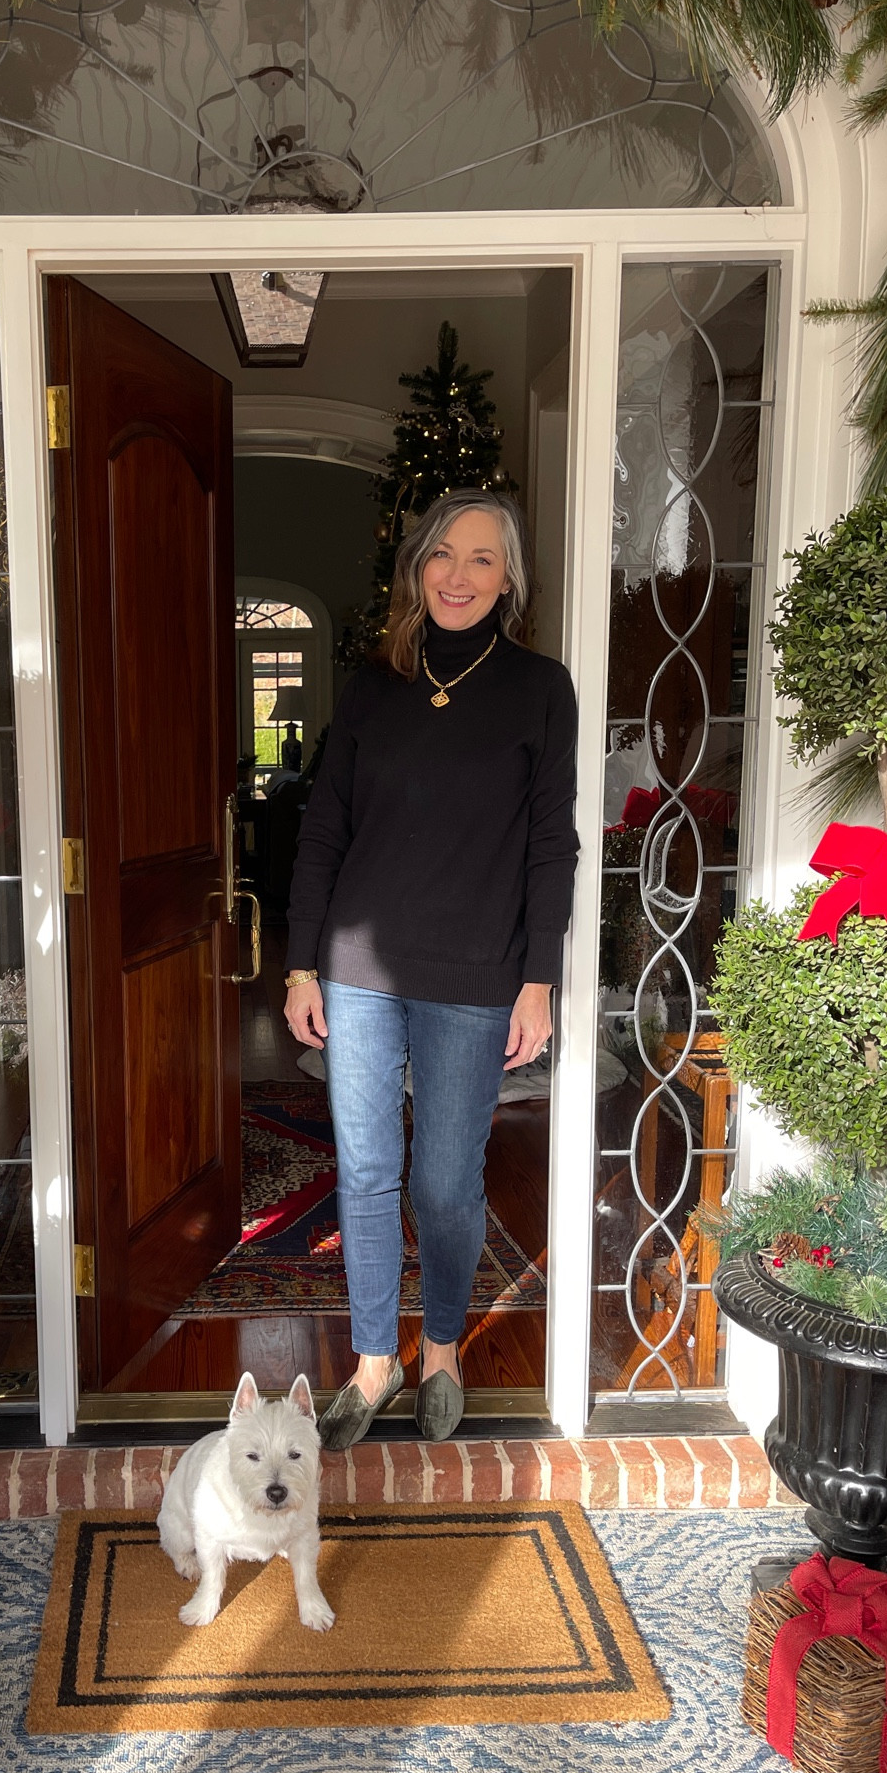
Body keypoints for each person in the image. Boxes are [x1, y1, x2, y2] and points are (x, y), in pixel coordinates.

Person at [283, 490, 578, 1447]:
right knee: (366, 1173)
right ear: (418, 570)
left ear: (510, 579)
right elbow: (325, 826)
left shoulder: (540, 688)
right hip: (360, 967)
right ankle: (376, 1363)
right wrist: (299, 968)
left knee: (447, 1185)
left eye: (482, 560)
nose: (458, 576)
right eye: (442, 556)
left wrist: (538, 980)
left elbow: (549, 845)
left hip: (477, 976)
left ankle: (442, 1347)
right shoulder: (375, 687)